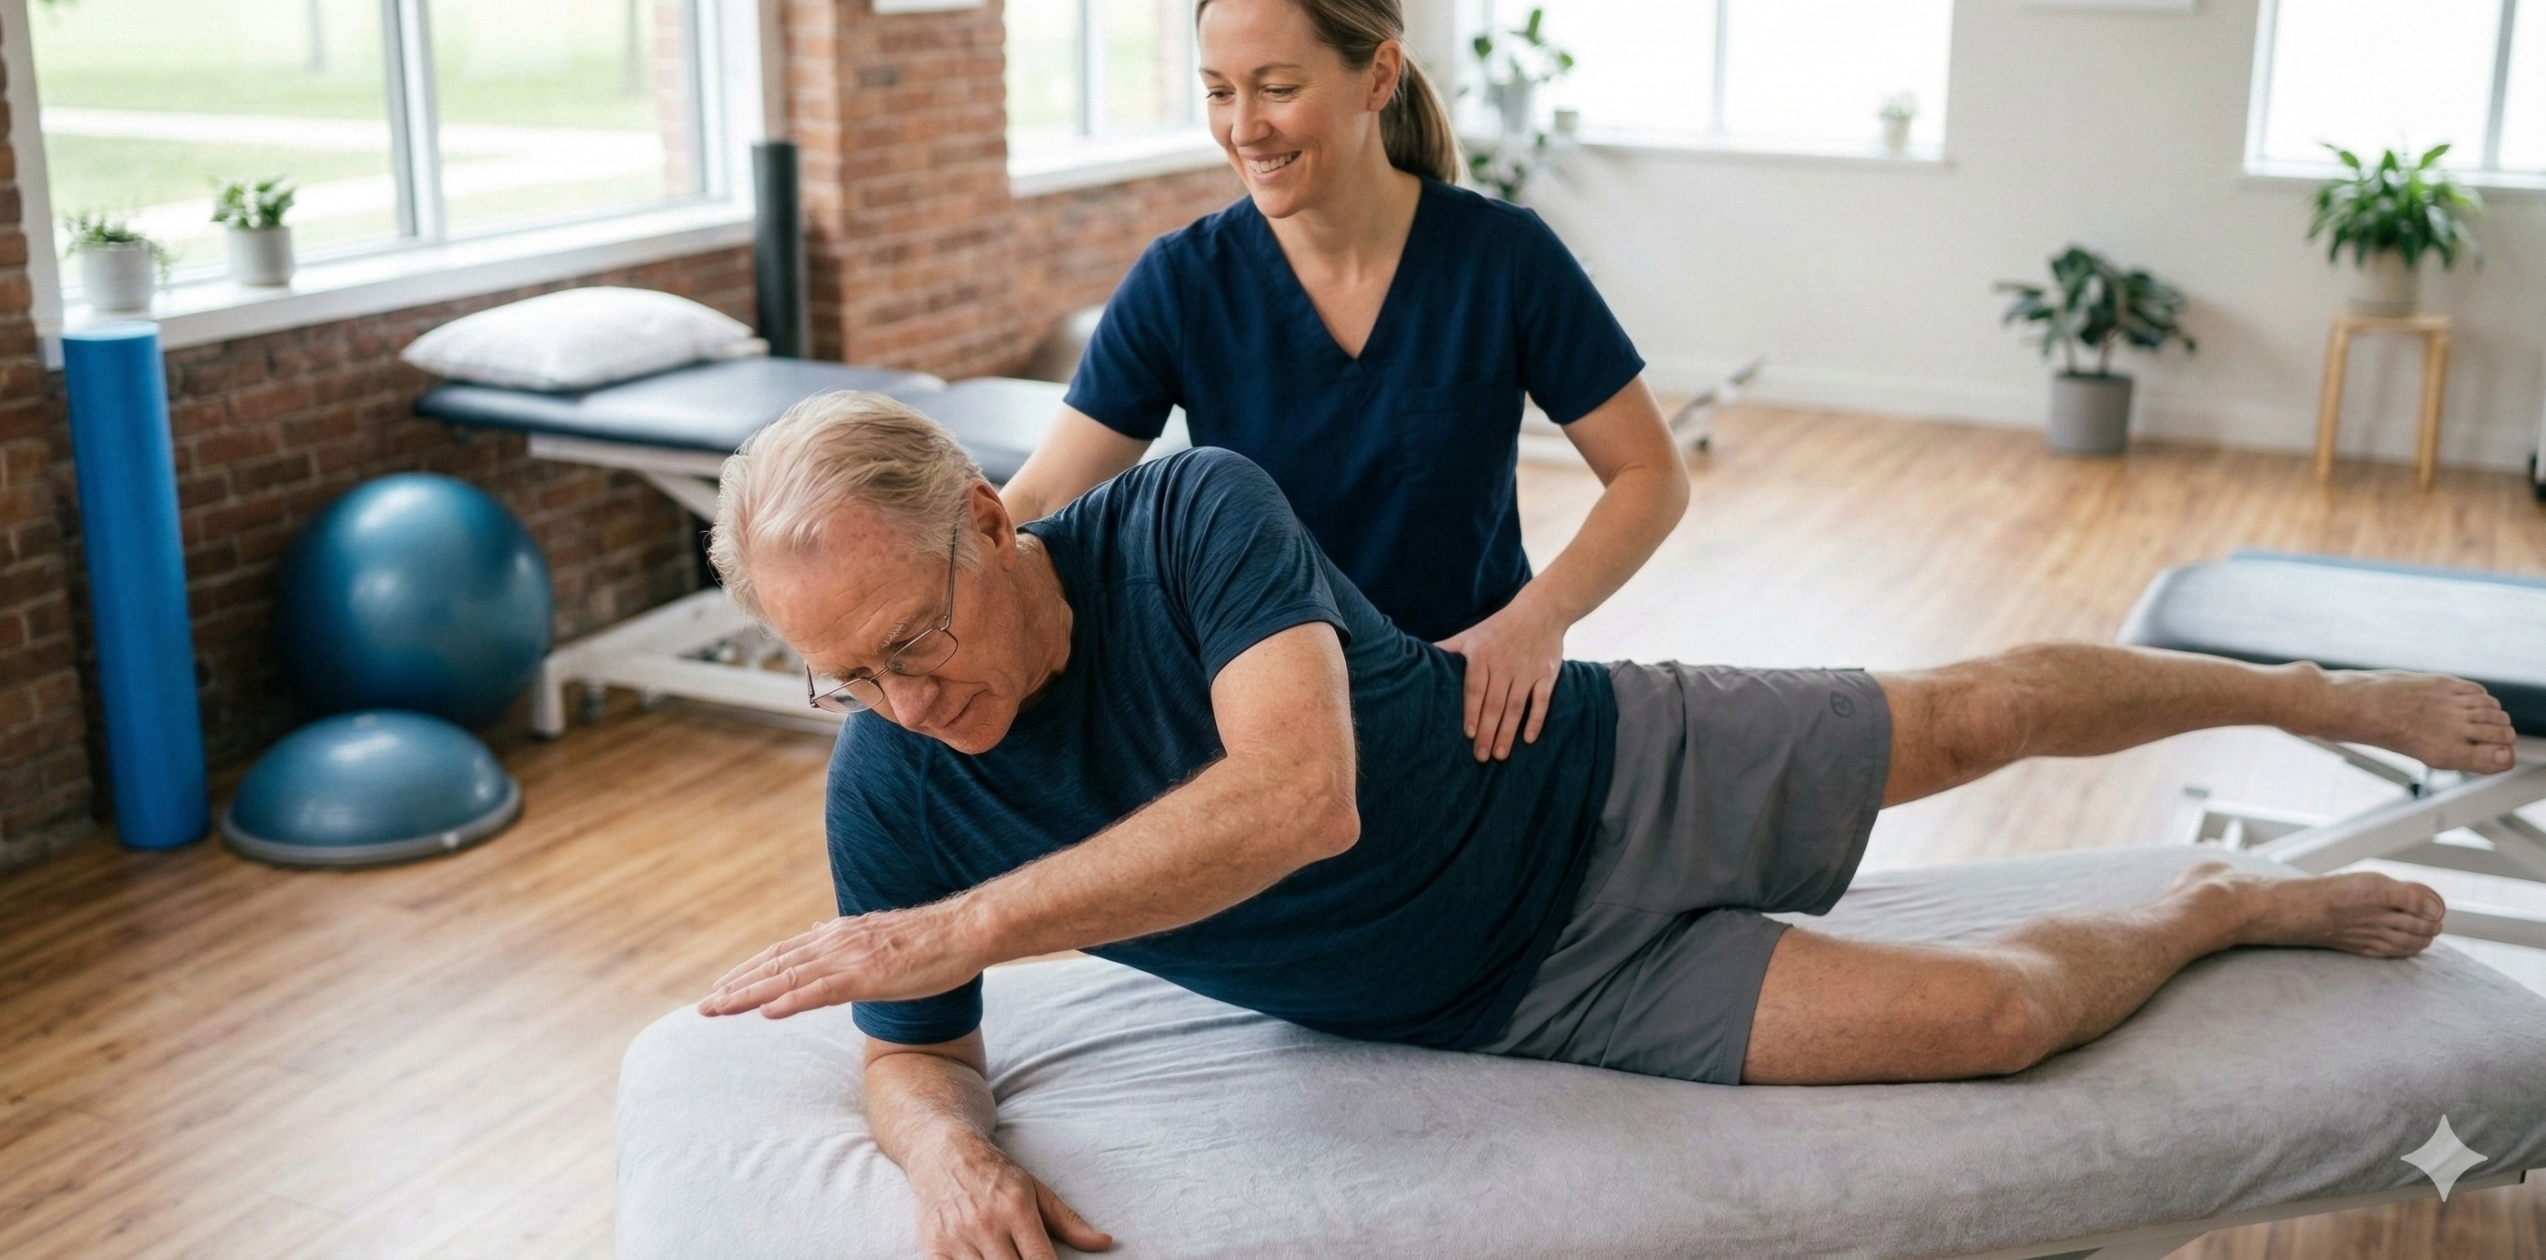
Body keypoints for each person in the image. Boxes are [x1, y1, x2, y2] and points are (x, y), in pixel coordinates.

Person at [699, 394, 2512, 1260]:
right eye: (846, 677)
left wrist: (963, 928)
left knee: (1977, 716)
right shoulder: (896, 780)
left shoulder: (1187, 523)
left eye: (915, 637)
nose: (906, 700)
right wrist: (947, 1155)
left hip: (1601, 765)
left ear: (992, 524)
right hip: (1519, 995)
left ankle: (2302, 691)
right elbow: (913, 1052)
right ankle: (2208, 901)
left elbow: (1298, 798)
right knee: (1999, 1022)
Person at [999, 0, 1692, 763]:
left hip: (1467, 705)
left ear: (1379, 76)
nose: (1243, 127)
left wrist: (1535, 622)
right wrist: (923, 589)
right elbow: (1040, 501)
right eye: (1219, 91)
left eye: (1277, 87)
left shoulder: (1502, 259)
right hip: (1268, 717)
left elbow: (1651, 474)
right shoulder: (1183, 283)